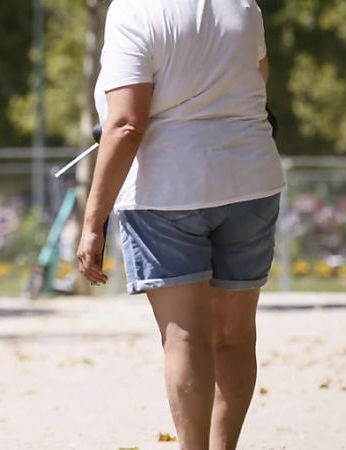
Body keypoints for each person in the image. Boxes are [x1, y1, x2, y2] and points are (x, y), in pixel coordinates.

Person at [76, 1, 284, 449]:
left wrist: (94, 220)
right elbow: (258, 79)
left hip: (166, 192)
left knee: (185, 336)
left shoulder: (133, 12)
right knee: (234, 335)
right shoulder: (244, 5)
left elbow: (127, 123)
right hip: (251, 180)